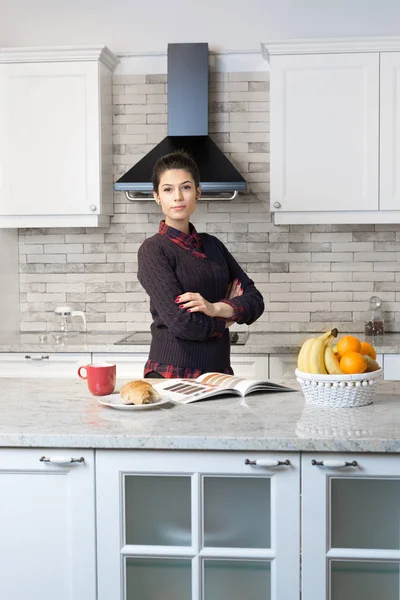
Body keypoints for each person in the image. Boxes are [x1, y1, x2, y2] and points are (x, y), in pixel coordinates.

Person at [137, 150, 265, 379]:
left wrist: (214, 308)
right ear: (157, 196)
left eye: (185, 187)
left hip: (219, 373)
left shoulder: (213, 245)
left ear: (197, 192)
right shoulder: (153, 250)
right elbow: (182, 323)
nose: (177, 197)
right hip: (170, 374)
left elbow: (255, 300)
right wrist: (227, 319)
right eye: (168, 189)